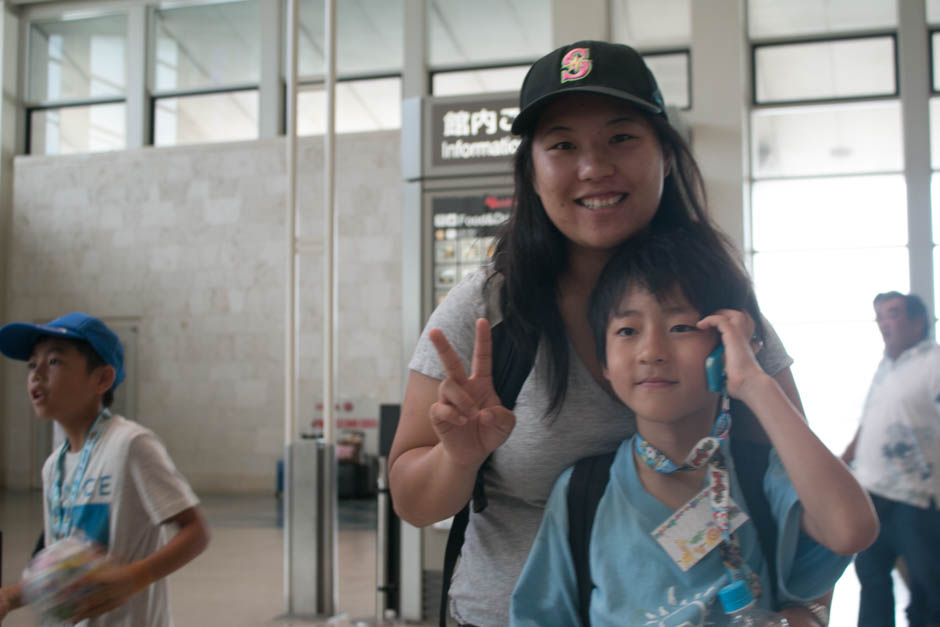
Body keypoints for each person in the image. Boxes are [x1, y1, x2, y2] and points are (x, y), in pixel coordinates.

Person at [388, 40, 829, 626]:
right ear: (532, 169)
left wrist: (807, 611)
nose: (593, 167)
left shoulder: (719, 298)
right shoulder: (488, 306)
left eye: (622, 137)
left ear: (665, 156)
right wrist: (457, 458)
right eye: (562, 144)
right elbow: (414, 503)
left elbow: (800, 489)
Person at [509, 228, 877, 625]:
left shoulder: (761, 477)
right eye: (627, 331)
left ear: (723, 346)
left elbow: (851, 530)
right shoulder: (583, 492)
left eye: (681, 327)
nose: (652, 351)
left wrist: (755, 384)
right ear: (604, 363)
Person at [0, 312, 210, 626]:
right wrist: (10, 597)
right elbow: (64, 565)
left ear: (102, 379)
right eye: (32, 364)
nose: (36, 374)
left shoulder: (131, 444)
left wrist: (134, 578)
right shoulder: (52, 467)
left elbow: (196, 532)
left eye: (54, 361)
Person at [842, 291, 940, 627]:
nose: (884, 323)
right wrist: (842, 462)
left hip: (916, 497)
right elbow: (868, 420)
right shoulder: (886, 366)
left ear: (917, 321)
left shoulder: (934, 363)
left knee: (929, 588)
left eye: (893, 313)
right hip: (871, 494)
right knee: (871, 578)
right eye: (880, 315)